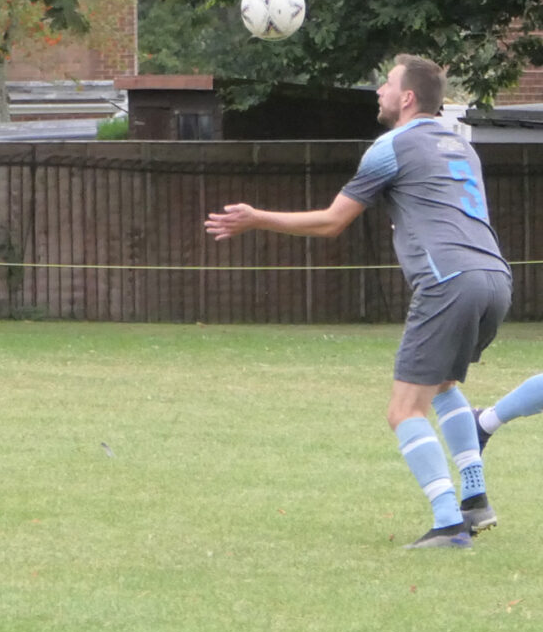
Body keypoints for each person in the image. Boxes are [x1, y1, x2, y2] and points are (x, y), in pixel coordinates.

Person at [204, 54, 511, 549]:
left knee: (404, 410)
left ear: (407, 97)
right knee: (444, 384)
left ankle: (448, 523)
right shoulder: (462, 146)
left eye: (386, 84)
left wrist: (257, 217)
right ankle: (475, 499)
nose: (378, 92)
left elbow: (332, 222)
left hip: (449, 280)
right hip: (494, 276)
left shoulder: (390, 146)